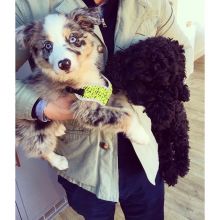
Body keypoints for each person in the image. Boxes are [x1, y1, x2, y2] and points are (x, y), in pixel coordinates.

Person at [16, 0, 194, 219]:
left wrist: (159, 86)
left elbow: (182, 49)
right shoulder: (29, 5)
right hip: (85, 169)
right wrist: (43, 108)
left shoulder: (154, 3)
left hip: (143, 158)